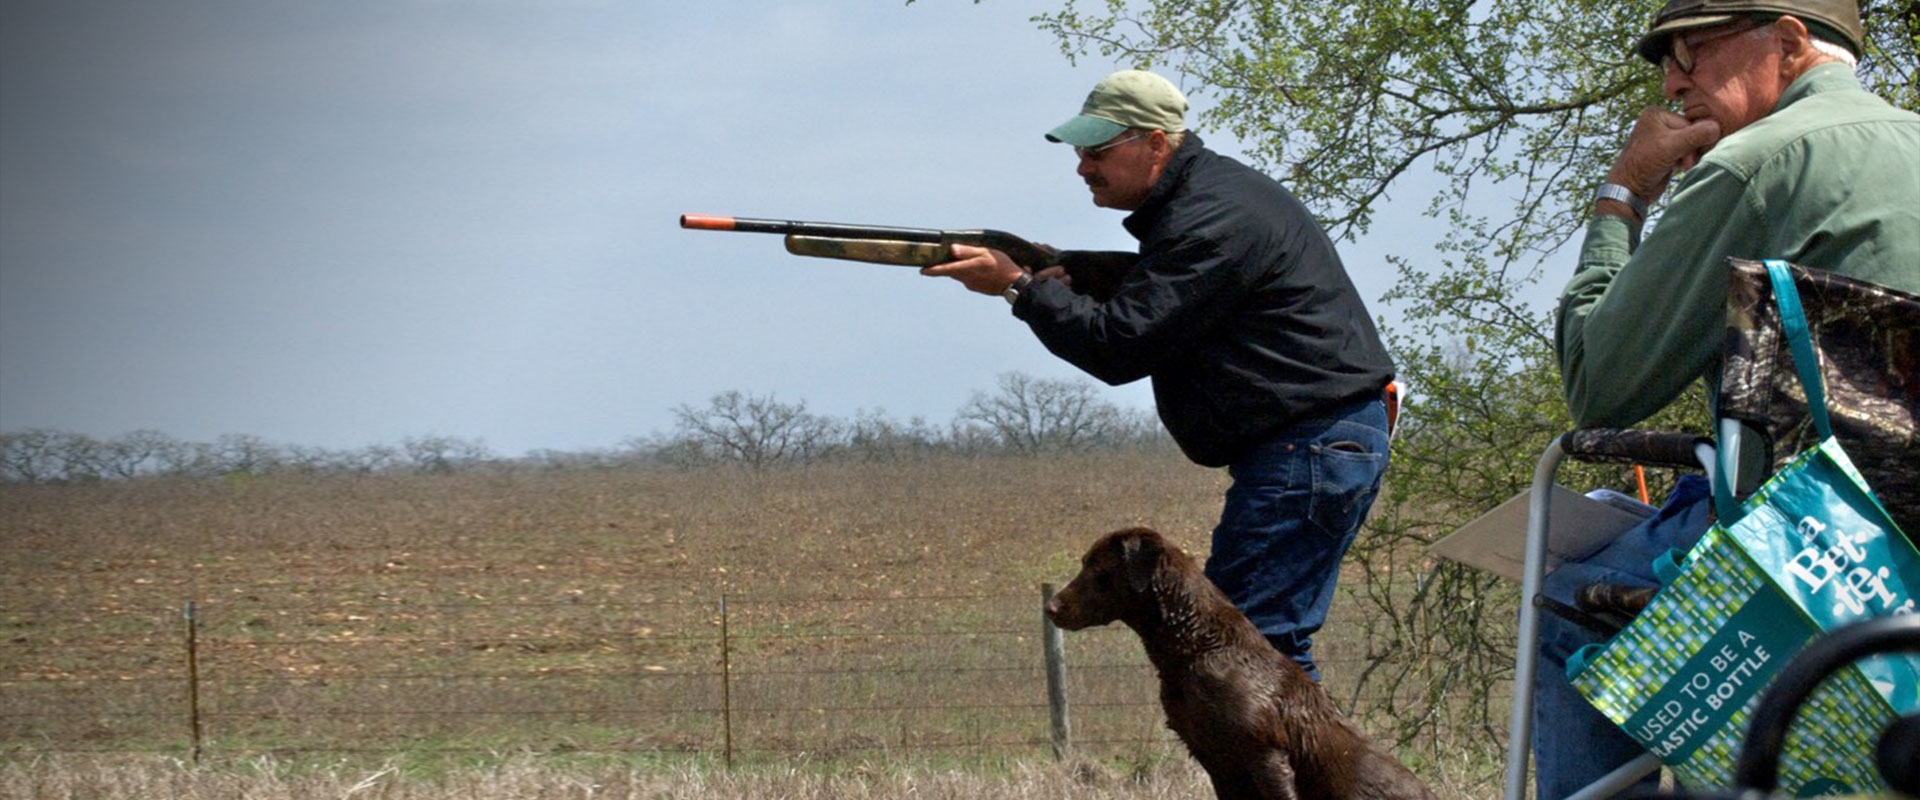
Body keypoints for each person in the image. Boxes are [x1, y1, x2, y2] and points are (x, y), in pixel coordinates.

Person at [1541, 0, 1920, 794]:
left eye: (1692, 55)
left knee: (1570, 601)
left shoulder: (1756, 163)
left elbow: (1599, 384)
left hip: (1818, 556)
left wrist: (1624, 192)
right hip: (1907, 565)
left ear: (1788, 41)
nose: (1672, 86)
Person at [922, 70, 1398, 681]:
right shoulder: (1209, 201)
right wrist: (1073, 274)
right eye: (1080, 153)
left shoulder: (1210, 216)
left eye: (1098, 152)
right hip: (1313, 444)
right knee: (1258, 648)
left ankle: (1307, 751)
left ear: (1154, 143)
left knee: (1245, 652)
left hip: (1306, 445)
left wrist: (1019, 287)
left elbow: (1118, 346)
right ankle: (1305, 750)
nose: (1083, 168)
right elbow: (1164, 294)